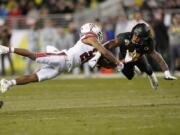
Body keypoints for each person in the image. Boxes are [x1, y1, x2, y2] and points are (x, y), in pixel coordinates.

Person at [0, 23, 123, 93]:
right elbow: (105, 51)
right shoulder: (90, 38)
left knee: (35, 77)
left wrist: (118, 64)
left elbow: (105, 52)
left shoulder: (94, 44)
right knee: (35, 55)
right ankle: (6, 49)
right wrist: (117, 63)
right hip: (63, 59)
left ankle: (8, 83)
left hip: (62, 68)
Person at [88, 23, 177, 89]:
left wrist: (166, 72)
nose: (135, 38)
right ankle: (134, 68)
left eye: (138, 37)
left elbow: (158, 57)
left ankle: (152, 77)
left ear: (144, 39)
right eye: (135, 35)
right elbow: (109, 44)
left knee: (148, 69)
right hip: (124, 58)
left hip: (138, 57)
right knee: (130, 76)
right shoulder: (124, 37)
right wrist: (98, 54)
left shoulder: (147, 43)